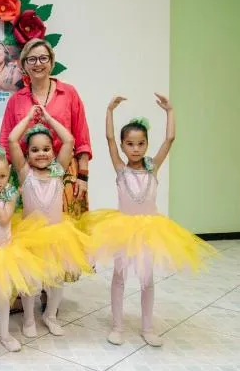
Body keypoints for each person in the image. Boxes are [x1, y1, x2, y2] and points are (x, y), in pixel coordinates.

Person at [83, 94, 215, 347]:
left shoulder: (153, 167)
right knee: (119, 277)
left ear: (146, 145)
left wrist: (170, 111)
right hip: (122, 228)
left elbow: (170, 139)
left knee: (147, 279)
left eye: (141, 144)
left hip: (149, 229)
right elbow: (108, 139)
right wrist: (109, 110)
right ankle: (117, 326)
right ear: (123, 146)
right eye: (130, 144)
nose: (136, 148)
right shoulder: (120, 168)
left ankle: (147, 327)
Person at [0, 38, 92, 317]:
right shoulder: (17, 99)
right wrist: (1, 176)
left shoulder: (69, 93)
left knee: (55, 237)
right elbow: (6, 139)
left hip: (63, 173)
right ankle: (19, 295)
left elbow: (80, 138)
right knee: (21, 237)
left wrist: (83, 176)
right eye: (31, 59)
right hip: (24, 174)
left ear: (51, 61)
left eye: (43, 58)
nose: (38, 64)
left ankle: (50, 296)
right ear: (24, 65)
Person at [8, 106, 93, 338]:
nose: (41, 153)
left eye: (46, 149)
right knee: (31, 282)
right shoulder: (25, 173)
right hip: (31, 237)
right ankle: (28, 319)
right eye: (35, 150)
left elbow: (69, 140)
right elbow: (12, 139)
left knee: (56, 281)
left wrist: (48, 118)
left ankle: (50, 315)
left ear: (53, 153)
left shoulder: (57, 171)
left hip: (56, 235)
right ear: (27, 155)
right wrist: (27, 117)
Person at [0, 146, 47, 352]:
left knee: (3, 296)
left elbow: (4, 219)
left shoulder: (11, 193)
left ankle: (4, 334)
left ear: (9, 173)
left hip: (5, 252)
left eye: (2, 176)